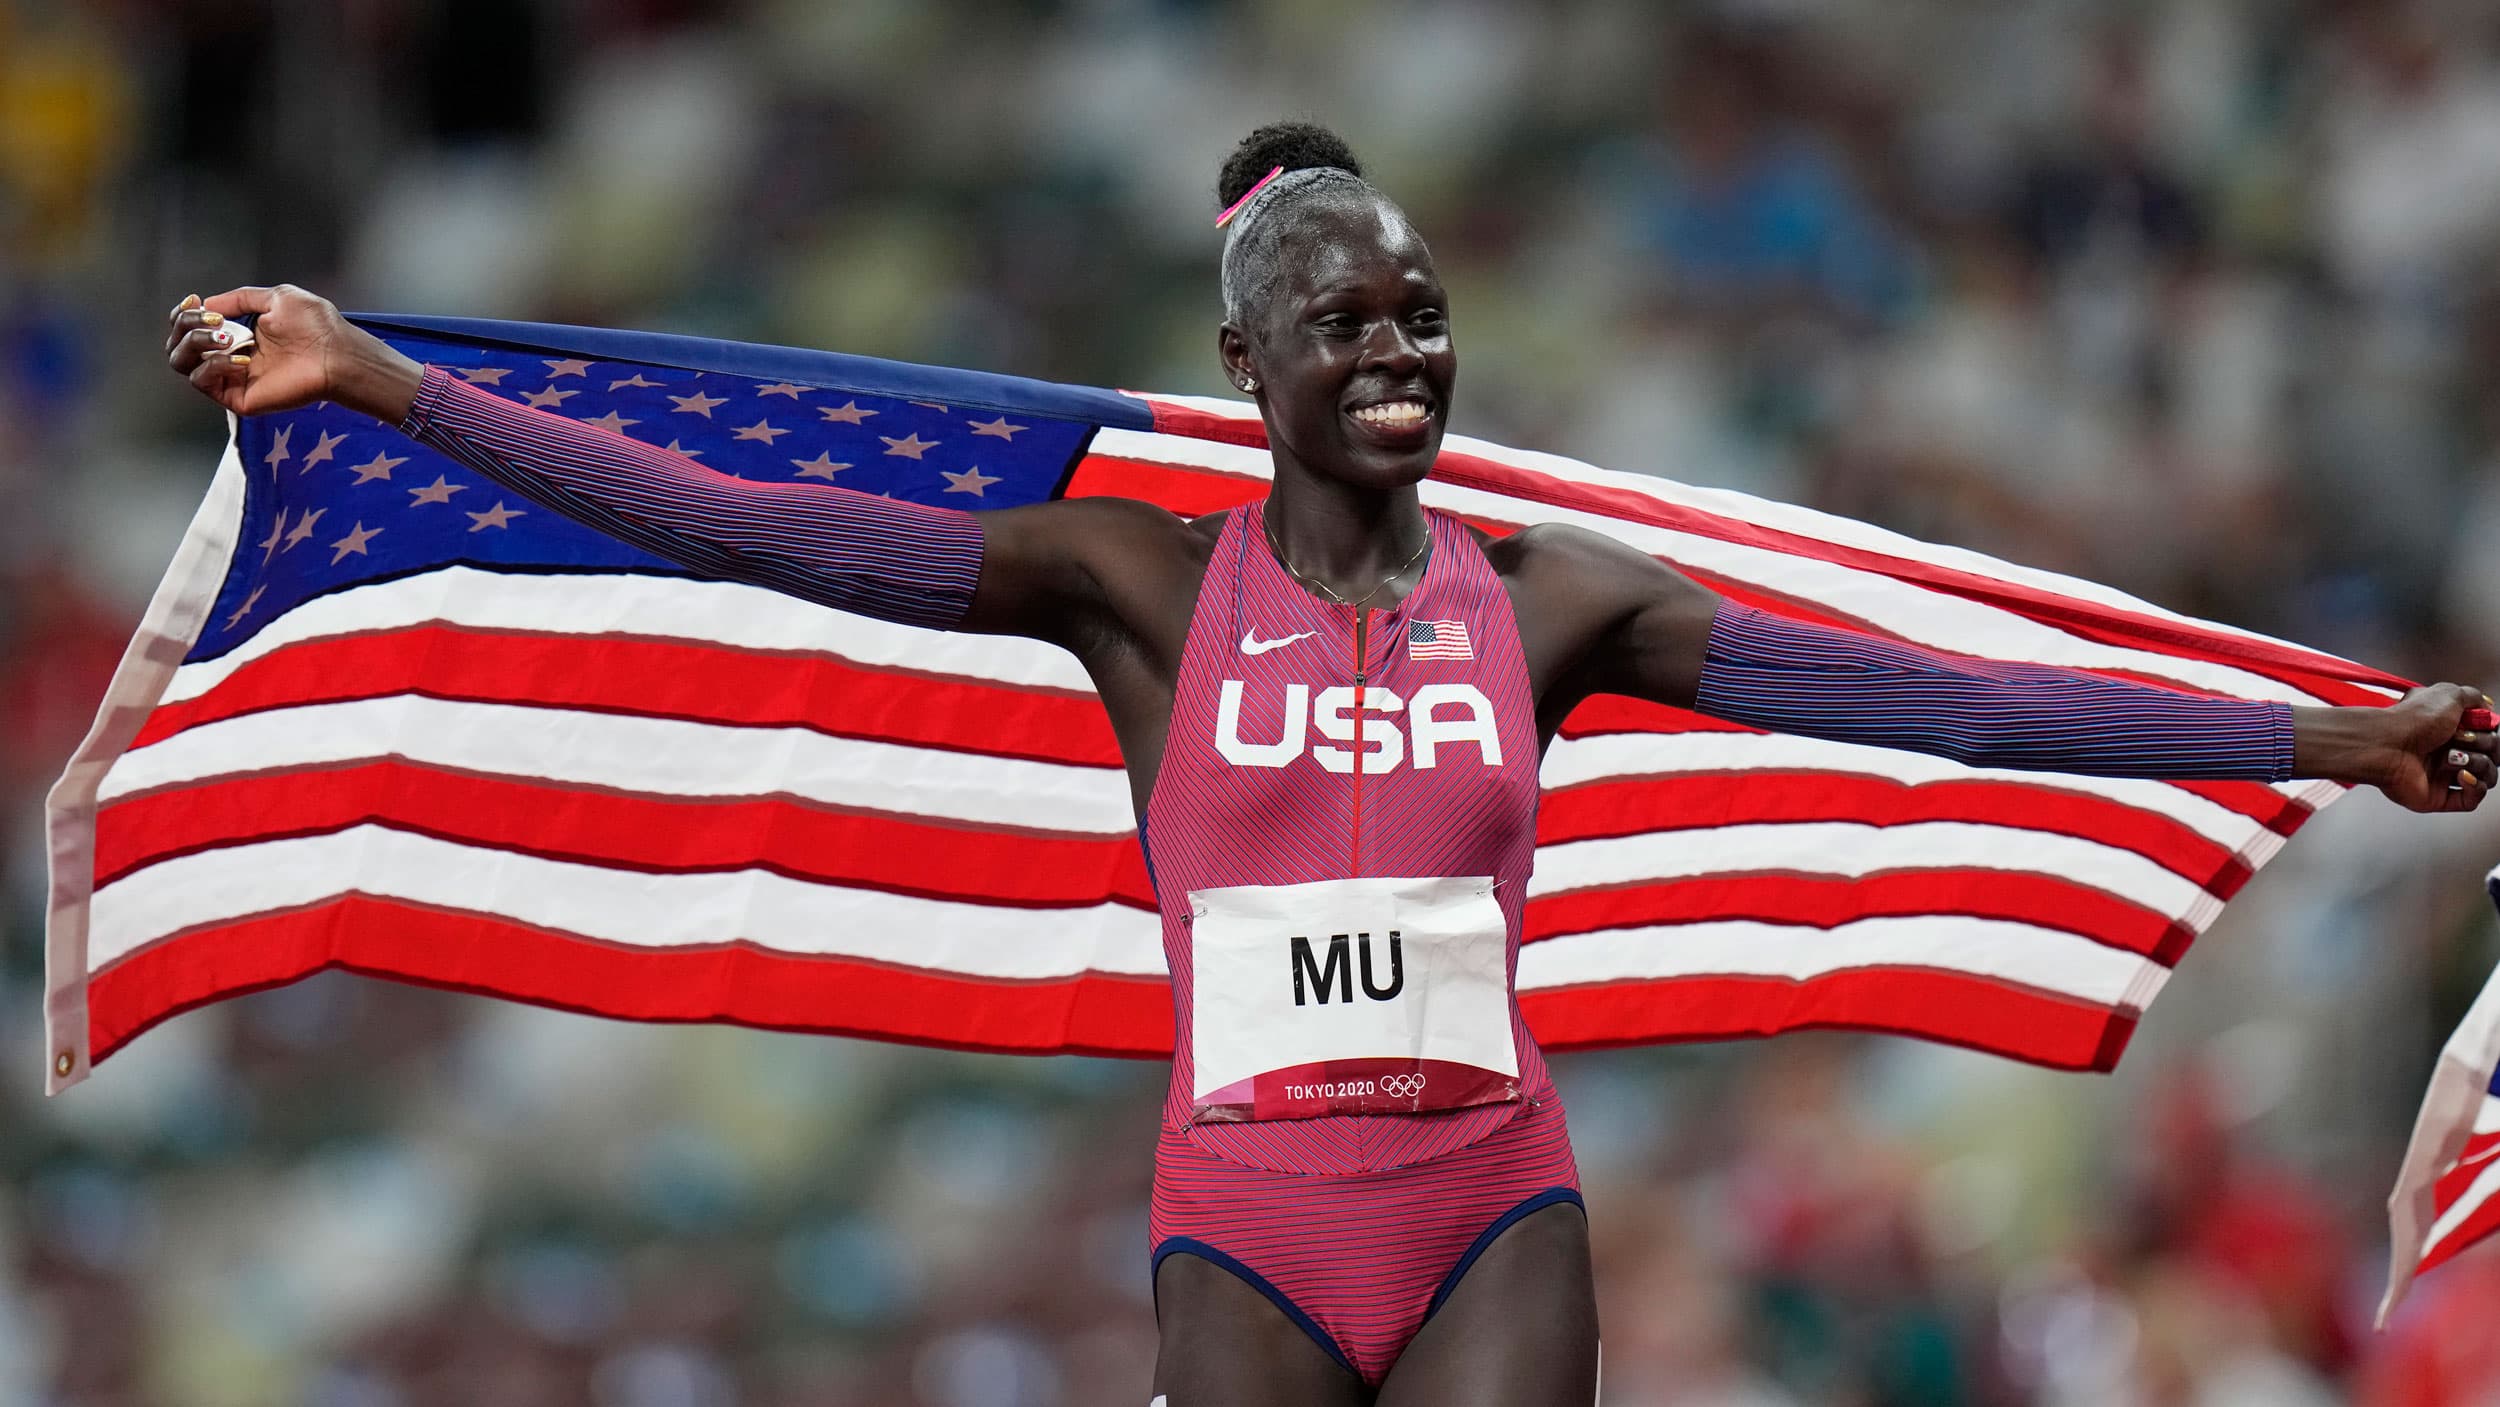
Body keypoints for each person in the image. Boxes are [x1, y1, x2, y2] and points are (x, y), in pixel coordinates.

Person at [165, 122, 2495, 1407]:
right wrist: (381, 382)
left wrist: (2306, 729)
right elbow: (752, 527)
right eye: (1342, 322)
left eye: (1421, 315)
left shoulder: (1554, 597)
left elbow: (1961, 709)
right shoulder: (1133, 584)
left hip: (1488, 1201)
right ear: (1240, 353)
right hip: (1248, 1219)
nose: (1396, 352)